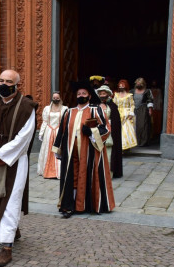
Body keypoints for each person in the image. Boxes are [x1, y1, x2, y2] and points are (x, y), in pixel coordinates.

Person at [0, 69, 38, 267]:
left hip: (15, 160)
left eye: (9, 82)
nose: (4, 85)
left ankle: (6, 247)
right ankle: (13, 230)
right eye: (1, 81)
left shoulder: (26, 107)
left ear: (17, 85)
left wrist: (3, 154)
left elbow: (25, 137)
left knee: (11, 198)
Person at [52, 80, 115, 218]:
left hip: (89, 152)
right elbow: (62, 131)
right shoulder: (69, 112)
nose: (81, 95)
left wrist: (92, 132)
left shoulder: (96, 110)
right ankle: (70, 205)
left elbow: (106, 128)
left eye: (84, 93)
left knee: (87, 176)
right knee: (71, 177)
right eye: (79, 93)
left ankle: (85, 205)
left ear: (89, 96)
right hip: (71, 151)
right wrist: (58, 150)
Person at [37, 92, 67, 179]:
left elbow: (65, 122)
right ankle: (46, 170)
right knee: (48, 150)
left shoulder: (64, 108)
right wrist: (41, 133)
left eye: (57, 98)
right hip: (49, 132)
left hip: (59, 131)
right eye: (54, 97)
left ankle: (59, 171)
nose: (55, 99)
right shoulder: (47, 108)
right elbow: (45, 121)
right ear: (52, 98)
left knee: (58, 150)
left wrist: (65, 132)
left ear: (60, 98)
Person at [96, 85, 123, 178]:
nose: (102, 95)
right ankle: (98, 173)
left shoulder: (113, 106)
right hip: (98, 132)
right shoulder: (96, 105)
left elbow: (116, 121)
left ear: (108, 94)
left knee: (109, 152)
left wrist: (108, 125)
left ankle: (108, 173)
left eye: (104, 93)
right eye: (100, 93)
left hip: (110, 133)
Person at [114, 79, 137, 151]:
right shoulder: (116, 95)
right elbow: (114, 104)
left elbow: (132, 105)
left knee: (126, 130)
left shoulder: (129, 96)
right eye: (120, 85)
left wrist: (131, 113)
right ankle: (118, 147)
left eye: (123, 85)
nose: (121, 87)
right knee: (117, 130)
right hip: (118, 113)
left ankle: (126, 147)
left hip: (126, 114)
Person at [132, 77, 154, 147]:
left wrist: (150, 109)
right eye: (137, 83)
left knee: (142, 125)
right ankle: (134, 141)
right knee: (134, 125)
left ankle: (142, 141)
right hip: (133, 109)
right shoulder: (132, 91)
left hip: (143, 109)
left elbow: (150, 100)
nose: (139, 84)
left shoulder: (147, 91)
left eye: (140, 83)